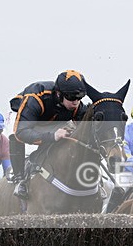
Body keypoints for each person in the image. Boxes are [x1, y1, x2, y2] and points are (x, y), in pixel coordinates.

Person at [8, 70, 90, 199]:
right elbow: (21, 133)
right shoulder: (36, 97)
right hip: (25, 118)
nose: (76, 102)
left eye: (79, 98)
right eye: (72, 98)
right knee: (17, 136)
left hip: (51, 119)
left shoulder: (75, 104)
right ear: (59, 94)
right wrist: (51, 136)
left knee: (70, 132)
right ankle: (19, 179)